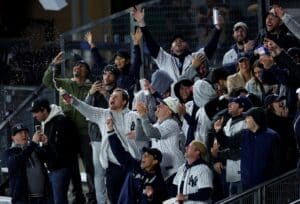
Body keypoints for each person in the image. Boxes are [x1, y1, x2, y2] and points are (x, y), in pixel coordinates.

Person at [64, 88, 145, 204]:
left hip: (131, 164)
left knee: (131, 198)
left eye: (116, 97)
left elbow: (150, 132)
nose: (112, 98)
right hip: (112, 167)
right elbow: (88, 110)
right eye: (111, 96)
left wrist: (139, 134)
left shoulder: (134, 115)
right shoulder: (103, 114)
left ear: (124, 102)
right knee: (114, 199)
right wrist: (73, 101)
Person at [42, 52, 95, 204]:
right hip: (67, 135)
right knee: (72, 167)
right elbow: (47, 81)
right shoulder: (65, 83)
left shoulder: (91, 86)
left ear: (87, 72)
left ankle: (92, 196)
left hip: (85, 133)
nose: (77, 67)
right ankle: (78, 196)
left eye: (81, 66)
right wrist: (54, 65)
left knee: (89, 165)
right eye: (76, 65)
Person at [132, 6, 223, 82]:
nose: (178, 42)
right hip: (170, 100)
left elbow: (210, 49)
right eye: (175, 41)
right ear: (171, 48)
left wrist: (218, 29)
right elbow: (151, 43)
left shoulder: (195, 57)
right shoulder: (165, 59)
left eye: (182, 41)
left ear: (187, 45)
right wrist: (141, 22)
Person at [212, 107, 281, 190]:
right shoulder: (244, 134)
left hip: (266, 186)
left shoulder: (272, 136)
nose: (245, 120)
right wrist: (219, 132)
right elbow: (228, 143)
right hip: (246, 186)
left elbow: (277, 162)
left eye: (248, 117)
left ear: (256, 119)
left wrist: (273, 183)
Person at [106, 117, 167, 204]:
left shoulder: (158, 181)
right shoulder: (135, 165)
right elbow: (119, 152)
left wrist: (150, 196)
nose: (143, 158)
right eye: (143, 156)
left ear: (155, 161)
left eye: (146, 156)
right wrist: (111, 131)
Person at [30, 98, 77, 204]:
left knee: (59, 201)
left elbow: (63, 149)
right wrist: (46, 143)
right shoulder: (45, 123)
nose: (34, 116)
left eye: (36, 112)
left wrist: (47, 145)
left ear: (44, 110)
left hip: (60, 168)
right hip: (51, 169)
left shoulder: (61, 122)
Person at [3, 123, 50, 204]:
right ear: (13, 137)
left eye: (25, 132)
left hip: (42, 197)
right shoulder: (9, 152)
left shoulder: (34, 149)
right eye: (20, 133)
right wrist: (33, 144)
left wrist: (46, 144)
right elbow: (17, 161)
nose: (24, 135)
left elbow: (51, 158)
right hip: (22, 199)